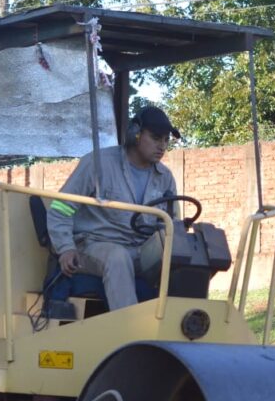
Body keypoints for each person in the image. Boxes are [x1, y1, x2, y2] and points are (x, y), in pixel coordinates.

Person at [46, 105, 181, 310]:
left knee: (188, 259)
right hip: (92, 246)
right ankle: (131, 333)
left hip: (140, 251)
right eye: (155, 138)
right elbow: (60, 208)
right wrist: (65, 248)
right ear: (136, 134)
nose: (162, 146)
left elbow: (172, 224)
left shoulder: (165, 178)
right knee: (118, 257)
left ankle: (184, 325)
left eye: (165, 140)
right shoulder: (98, 164)